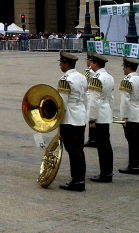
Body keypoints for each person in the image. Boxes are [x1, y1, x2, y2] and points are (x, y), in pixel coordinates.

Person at [57, 51, 88, 191]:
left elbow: (62, 103)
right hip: (81, 116)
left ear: (65, 64)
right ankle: (80, 179)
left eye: (61, 63)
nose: (60, 65)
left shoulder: (65, 79)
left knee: (73, 150)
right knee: (79, 150)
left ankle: (77, 181)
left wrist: (57, 120)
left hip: (69, 118)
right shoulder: (82, 77)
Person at [86, 52, 114, 183]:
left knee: (102, 146)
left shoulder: (97, 78)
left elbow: (93, 100)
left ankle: (105, 174)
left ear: (96, 63)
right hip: (105, 112)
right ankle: (108, 172)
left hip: (98, 115)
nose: (90, 64)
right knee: (106, 145)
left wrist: (92, 119)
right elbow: (110, 98)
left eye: (91, 62)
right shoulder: (109, 76)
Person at [118, 57, 139, 175]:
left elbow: (125, 102)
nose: (123, 69)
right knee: (137, 141)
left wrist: (124, 117)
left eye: (124, 67)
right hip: (138, 113)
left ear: (128, 67)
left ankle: (132, 166)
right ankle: (136, 165)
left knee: (132, 141)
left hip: (130, 115)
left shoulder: (127, 80)